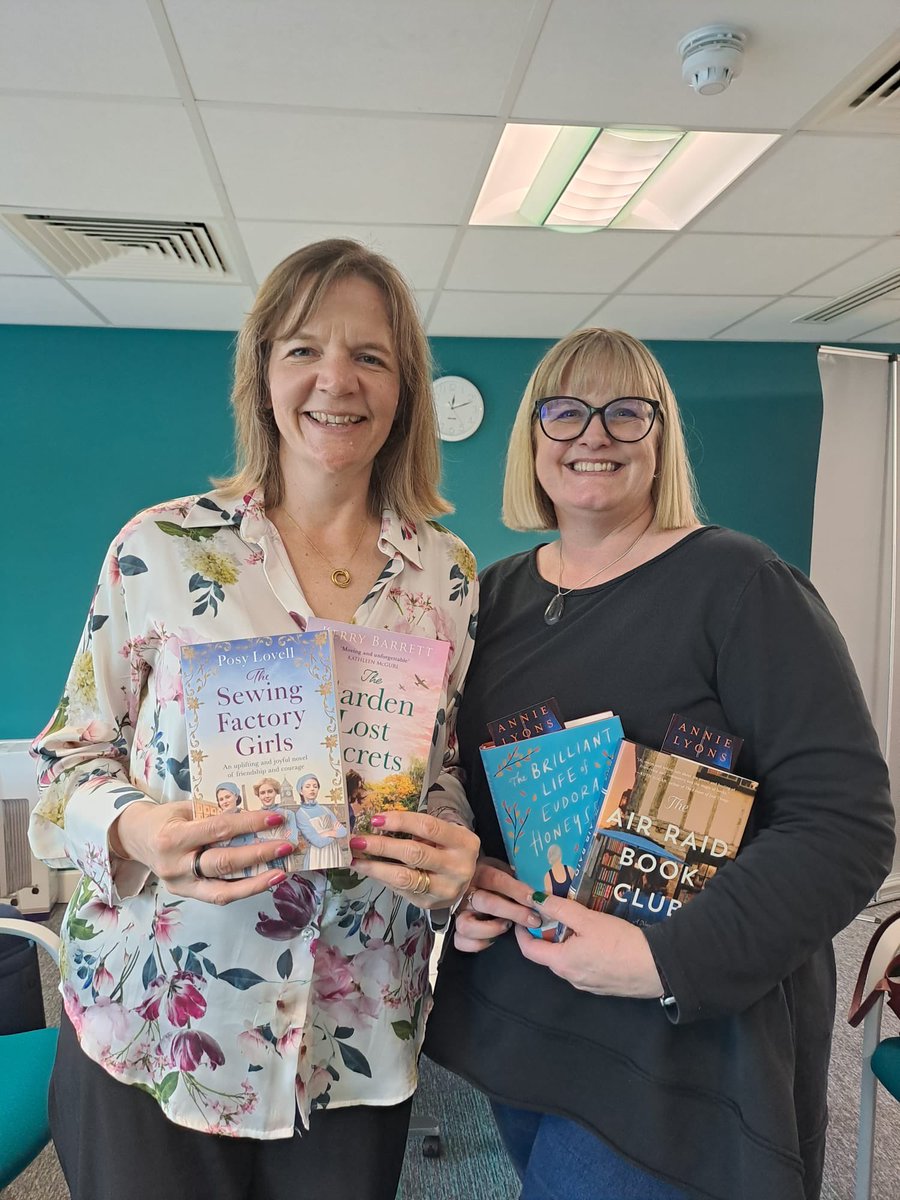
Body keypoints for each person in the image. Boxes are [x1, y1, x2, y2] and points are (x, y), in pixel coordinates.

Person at [30, 238, 479, 1200]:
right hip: (159, 1016)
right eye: (303, 349)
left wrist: (451, 852)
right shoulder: (159, 549)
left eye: (371, 355)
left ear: (404, 389)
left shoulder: (447, 575)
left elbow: (438, 769)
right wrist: (140, 829)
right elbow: (67, 761)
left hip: (356, 1033)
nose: (336, 380)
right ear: (261, 373)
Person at [424, 327, 895, 1200]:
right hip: (526, 1028)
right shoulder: (494, 598)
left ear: (660, 437)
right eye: (564, 412)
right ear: (533, 438)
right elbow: (466, 788)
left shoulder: (743, 585)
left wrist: (662, 962)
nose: (591, 434)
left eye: (623, 412)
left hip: (676, 1051)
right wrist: (473, 885)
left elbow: (848, 826)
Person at [290, 773, 348, 871]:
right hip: (318, 856)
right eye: (307, 786)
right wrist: (334, 833)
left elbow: (343, 831)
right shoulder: (301, 814)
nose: (312, 789)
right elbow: (318, 842)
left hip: (335, 852)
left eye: (315, 786)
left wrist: (325, 833)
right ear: (301, 791)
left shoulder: (325, 809)